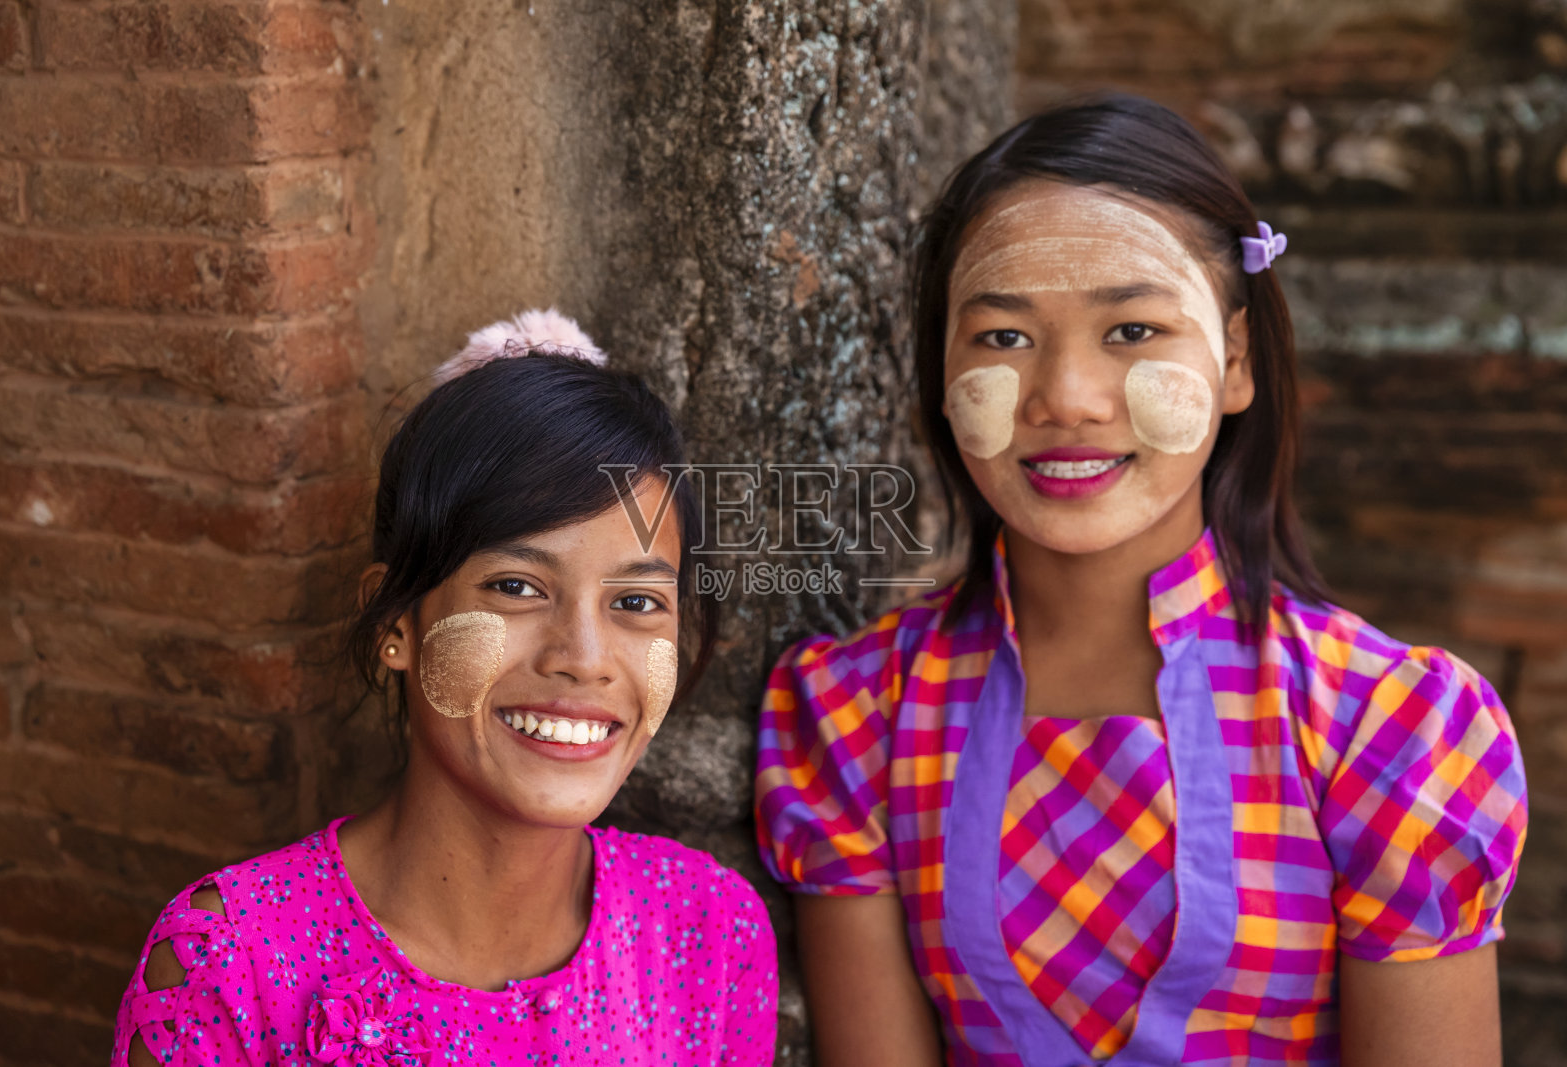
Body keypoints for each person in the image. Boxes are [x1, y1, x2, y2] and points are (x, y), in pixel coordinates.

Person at [755, 95, 1526, 1066]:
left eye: (1131, 329)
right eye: (1003, 337)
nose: (1065, 398)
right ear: (940, 374)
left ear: (1234, 360)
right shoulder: (856, 715)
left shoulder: (1385, 731)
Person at [114, 310, 778, 1066]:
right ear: (396, 622)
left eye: (635, 601)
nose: (584, 659)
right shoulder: (230, 966)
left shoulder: (709, 933)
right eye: (517, 586)